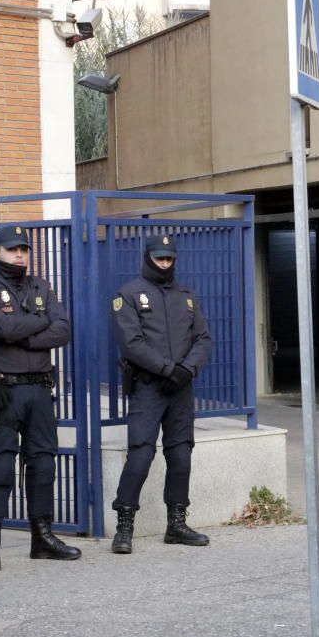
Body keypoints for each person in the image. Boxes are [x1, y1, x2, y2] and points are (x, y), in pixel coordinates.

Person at [0, 224, 80, 572]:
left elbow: (63, 329)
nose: (19, 254)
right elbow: (2, 329)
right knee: (1, 463)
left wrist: (25, 334)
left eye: (24, 249)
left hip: (39, 389)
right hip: (3, 390)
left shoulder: (41, 286)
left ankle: (42, 537)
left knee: (44, 461)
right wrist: (39, 321)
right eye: (12, 249)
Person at [109, 234, 212, 554]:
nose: (165, 263)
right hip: (148, 386)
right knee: (141, 454)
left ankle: (176, 524)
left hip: (180, 387)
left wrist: (185, 371)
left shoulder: (187, 295)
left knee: (181, 455)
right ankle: (124, 527)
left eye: (169, 258)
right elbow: (132, 343)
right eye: (159, 258)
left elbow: (203, 339)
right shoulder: (128, 294)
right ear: (148, 257)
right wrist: (168, 370)